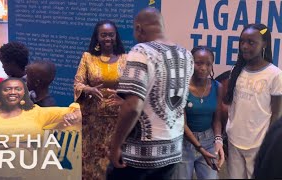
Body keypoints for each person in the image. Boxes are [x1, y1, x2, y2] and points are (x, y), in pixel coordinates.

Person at [107, 7, 194, 179]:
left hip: (140, 154)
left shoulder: (141, 52)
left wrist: (116, 144)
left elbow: (133, 107)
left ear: (139, 28)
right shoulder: (186, 54)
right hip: (172, 150)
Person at [0, 78, 81, 178]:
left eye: (18, 89)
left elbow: (78, 110)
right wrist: (10, 147)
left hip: (31, 168)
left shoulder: (35, 112)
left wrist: (74, 115)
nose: (13, 92)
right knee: (18, 154)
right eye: (7, 89)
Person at [224, 24, 282, 179]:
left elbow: (276, 114)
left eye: (251, 42)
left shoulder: (275, 75)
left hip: (258, 144)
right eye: (242, 42)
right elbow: (233, 105)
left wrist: (268, 144)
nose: (244, 46)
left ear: (264, 44)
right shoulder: (236, 70)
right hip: (235, 140)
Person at [74, 20, 126, 180]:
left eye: (111, 35)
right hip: (92, 122)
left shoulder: (126, 58)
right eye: (103, 35)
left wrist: (121, 96)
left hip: (117, 121)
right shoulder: (88, 57)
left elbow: (133, 88)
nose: (108, 38)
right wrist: (88, 89)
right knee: (92, 162)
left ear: (116, 36)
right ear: (97, 37)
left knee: (114, 161)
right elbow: (77, 83)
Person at [173, 46, 225, 179]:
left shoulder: (217, 87)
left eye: (208, 64)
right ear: (190, 63)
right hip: (184, 143)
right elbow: (182, 123)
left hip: (208, 141)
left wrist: (218, 141)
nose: (203, 68)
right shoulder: (181, 87)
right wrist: (199, 148)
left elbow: (217, 119)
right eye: (199, 63)